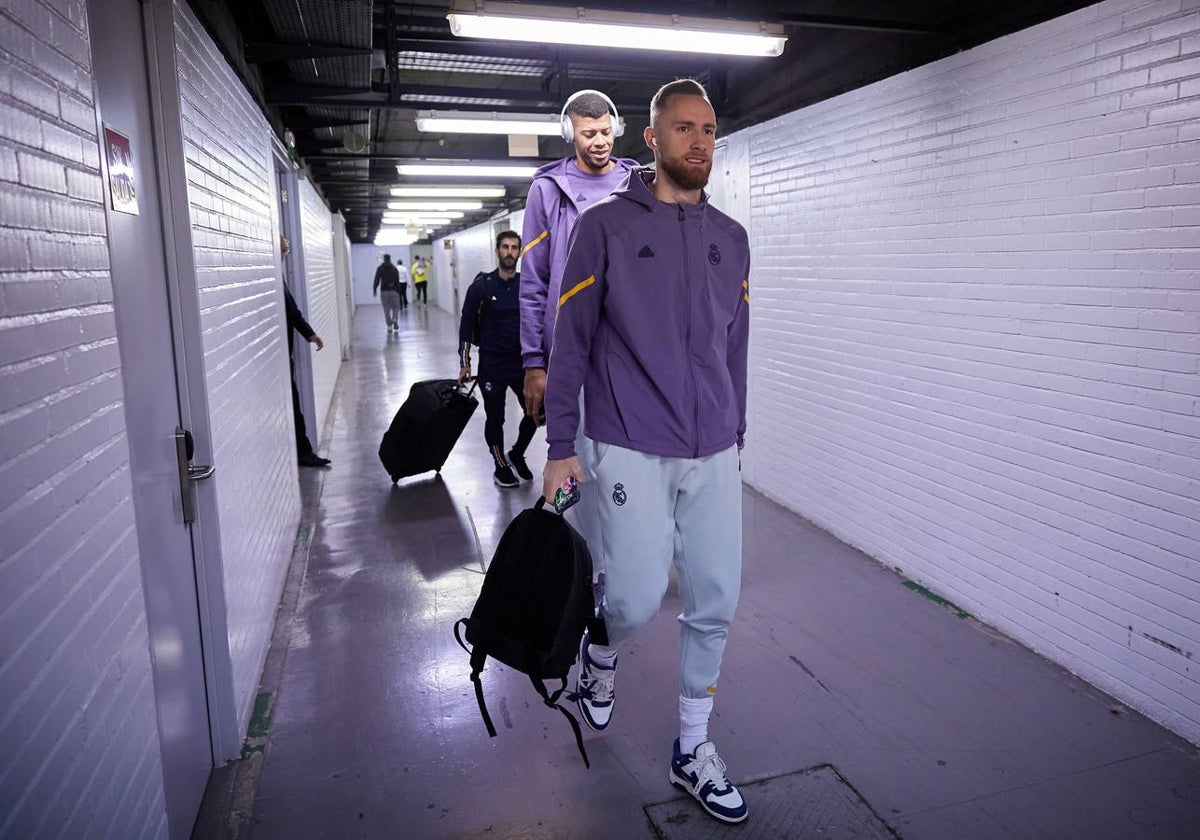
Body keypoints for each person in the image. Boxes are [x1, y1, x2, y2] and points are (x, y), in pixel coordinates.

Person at [541, 80, 751, 825]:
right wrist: (560, 444)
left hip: (712, 445)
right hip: (626, 439)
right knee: (630, 599)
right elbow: (571, 344)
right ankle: (601, 654)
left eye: (709, 129)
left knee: (716, 597)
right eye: (684, 128)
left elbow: (736, 345)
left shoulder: (732, 237)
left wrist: (738, 433)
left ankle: (692, 749)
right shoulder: (603, 228)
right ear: (653, 140)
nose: (699, 141)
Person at [520, 89, 639, 423]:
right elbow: (533, 282)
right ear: (570, 134)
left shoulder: (639, 184)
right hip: (569, 347)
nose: (600, 141)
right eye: (588, 134)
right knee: (572, 456)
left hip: (627, 346)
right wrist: (533, 363)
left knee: (624, 458)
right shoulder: (546, 191)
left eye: (605, 131)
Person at [458, 232, 539, 489]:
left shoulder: (525, 284)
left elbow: (537, 320)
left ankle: (517, 453)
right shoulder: (482, 286)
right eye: (505, 247)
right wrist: (465, 362)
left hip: (520, 364)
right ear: (497, 250)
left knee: (538, 411)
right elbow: (466, 324)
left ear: (520, 252)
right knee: (496, 418)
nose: (510, 252)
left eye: (514, 248)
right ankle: (500, 464)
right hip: (492, 365)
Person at [280, 236, 331, 468]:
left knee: (295, 404)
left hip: (283, 356)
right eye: (284, 247)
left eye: (287, 248)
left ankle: (302, 450)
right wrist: (309, 333)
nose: (286, 251)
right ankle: (303, 451)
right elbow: (292, 311)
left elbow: (292, 310)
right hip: (280, 359)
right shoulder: (274, 275)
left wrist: (310, 334)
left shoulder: (276, 274)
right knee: (295, 405)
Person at [373, 253, 403, 331]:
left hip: (384, 291)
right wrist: (398, 291)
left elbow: (377, 279)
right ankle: (395, 319)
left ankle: (389, 326)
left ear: (384, 259)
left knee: (386, 309)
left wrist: (374, 289)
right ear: (390, 259)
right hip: (394, 291)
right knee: (396, 306)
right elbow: (397, 281)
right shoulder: (394, 269)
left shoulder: (380, 268)